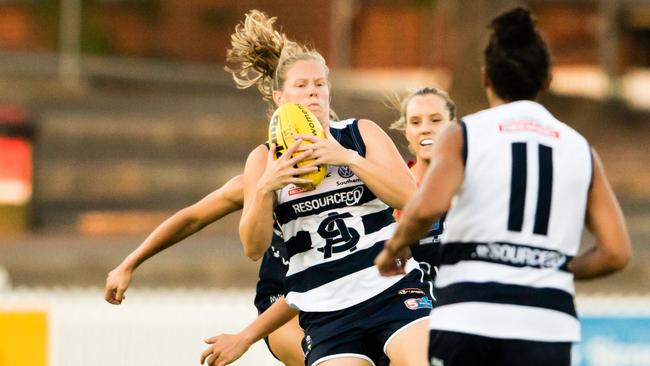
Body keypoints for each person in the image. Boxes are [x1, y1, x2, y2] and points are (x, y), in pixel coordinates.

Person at [375, 7, 631, 366]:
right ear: (545, 81)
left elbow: (428, 206)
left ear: (486, 77)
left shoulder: (464, 135)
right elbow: (616, 253)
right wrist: (551, 268)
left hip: (470, 317)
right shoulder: (580, 149)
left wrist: (394, 248)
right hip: (546, 324)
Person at [201, 9, 431, 366]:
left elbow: (414, 203)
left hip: (392, 291)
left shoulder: (360, 134)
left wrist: (349, 159)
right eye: (302, 86)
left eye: (320, 85)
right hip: (327, 315)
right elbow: (252, 247)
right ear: (280, 98)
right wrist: (265, 189)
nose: (313, 93)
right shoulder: (263, 162)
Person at [103, 175, 304, 366]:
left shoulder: (335, 183)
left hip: (327, 293)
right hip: (282, 301)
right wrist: (128, 264)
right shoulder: (260, 184)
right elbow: (193, 217)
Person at [388, 86, 457, 275]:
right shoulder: (390, 188)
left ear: (453, 125)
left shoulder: (472, 181)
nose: (425, 129)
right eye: (416, 122)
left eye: (435, 120)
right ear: (406, 131)